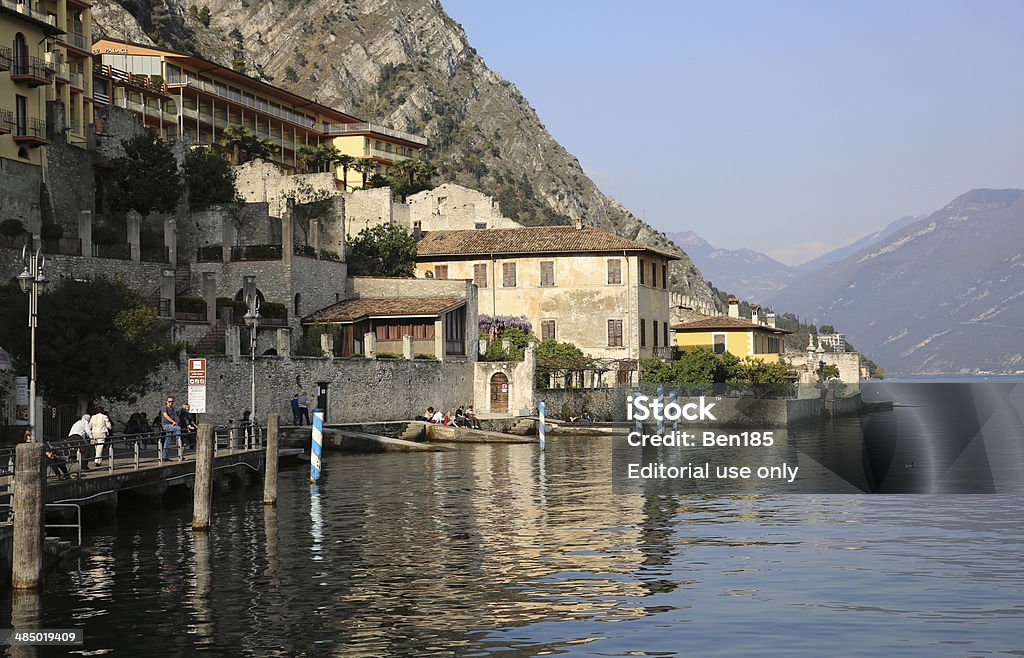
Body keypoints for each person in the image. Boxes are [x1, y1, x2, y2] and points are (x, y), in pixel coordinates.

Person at [160, 395, 181, 460]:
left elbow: (175, 417)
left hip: (171, 425)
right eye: (169, 401)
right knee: (178, 428)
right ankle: (178, 442)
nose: (171, 403)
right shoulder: (165, 408)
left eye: (172, 401)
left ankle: (164, 456)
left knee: (167, 440)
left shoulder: (172, 409)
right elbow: (165, 416)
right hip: (166, 425)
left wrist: (176, 421)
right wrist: (173, 422)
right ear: (166, 402)